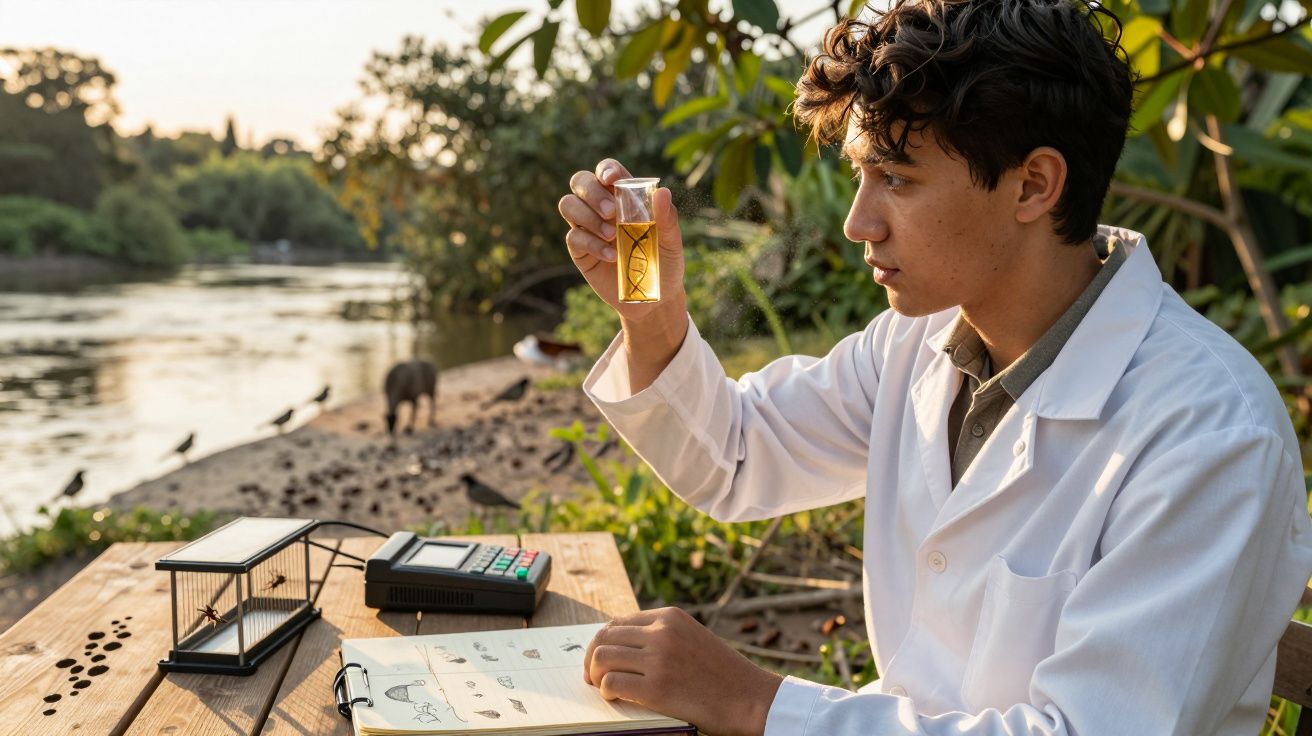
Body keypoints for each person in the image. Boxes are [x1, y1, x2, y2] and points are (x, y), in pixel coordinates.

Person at [555, 0, 1312, 733]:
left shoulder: (1209, 434)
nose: (858, 222)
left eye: (897, 179)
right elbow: (737, 455)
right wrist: (652, 314)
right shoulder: (918, 345)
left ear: (1034, 184)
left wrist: (757, 703)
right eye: (860, 176)